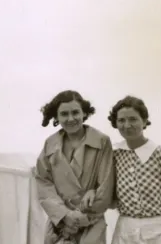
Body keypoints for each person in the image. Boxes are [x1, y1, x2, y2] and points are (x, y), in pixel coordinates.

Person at [34, 90, 115, 244]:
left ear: (84, 113)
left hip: (90, 223)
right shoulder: (50, 144)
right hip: (59, 225)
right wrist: (65, 216)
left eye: (75, 112)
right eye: (64, 114)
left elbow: (106, 184)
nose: (70, 119)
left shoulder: (102, 141)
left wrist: (81, 219)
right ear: (56, 117)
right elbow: (43, 182)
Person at [108, 95, 161, 244]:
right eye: (121, 120)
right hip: (124, 230)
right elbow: (109, 196)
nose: (127, 125)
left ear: (144, 121)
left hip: (157, 230)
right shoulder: (114, 155)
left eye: (133, 119)